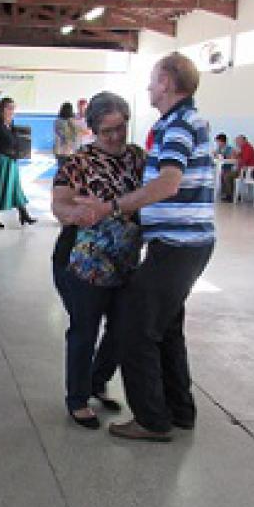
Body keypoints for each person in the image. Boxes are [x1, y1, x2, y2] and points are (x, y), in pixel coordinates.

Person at [76, 52, 215, 441]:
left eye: (153, 80)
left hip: (178, 246)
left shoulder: (179, 125)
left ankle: (152, 419)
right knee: (166, 329)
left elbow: (169, 183)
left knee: (135, 330)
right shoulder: (181, 121)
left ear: (167, 83)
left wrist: (111, 207)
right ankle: (179, 409)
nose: (149, 87)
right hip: (182, 245)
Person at [51, 92, 144, 429]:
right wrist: (75, 213)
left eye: (121, 128)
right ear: (92, 129)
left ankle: (97, 381)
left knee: (121, 329)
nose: (116, 137)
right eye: (107, 131)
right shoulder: (78, 162)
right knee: (84, 330)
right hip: (81, 264)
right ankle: (77, 399)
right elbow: (59, 203)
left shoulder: (138, 158)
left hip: (124, 263)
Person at [0, 97, 36, 228]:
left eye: (13, 108)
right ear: (2, 109)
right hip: (0, 162)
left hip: (11, 162)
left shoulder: (9, 124)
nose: (11, 111)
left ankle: (24, 214)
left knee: (15, 189)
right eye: (9, 108)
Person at [53, 102, 78, 169]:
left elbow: (58, 133)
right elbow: (73, 135)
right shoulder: (72, 121)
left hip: (59, 149)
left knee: (61, 168)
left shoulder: (57, 121)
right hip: (69, 150)